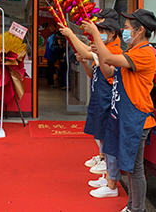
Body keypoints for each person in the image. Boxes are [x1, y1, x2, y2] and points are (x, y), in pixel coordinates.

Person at [82, 9, 156, 212]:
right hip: (126, 117)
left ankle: (137, 208)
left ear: (140, 30)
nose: (124, 31)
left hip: (137, 118)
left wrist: (97, 38)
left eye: (126, 28)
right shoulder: (132, 52)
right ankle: (132, 205)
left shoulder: (144, 53)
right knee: (131, 168)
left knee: (135, 169)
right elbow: (108, 70)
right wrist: (98, 52)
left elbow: (109, 60)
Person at [59, 15, 123, 197]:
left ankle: (112, 183)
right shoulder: (103, 49)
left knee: (108, 143)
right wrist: (85, 63)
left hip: (106, 101)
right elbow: (92, 70)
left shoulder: (112, 50)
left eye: (101, 32)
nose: (98, 35)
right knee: (102, 139)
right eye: (98, 31)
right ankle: (107, 177)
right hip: (98, 99)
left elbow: (88, 52)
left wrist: (71, 35)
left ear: (111, 34)